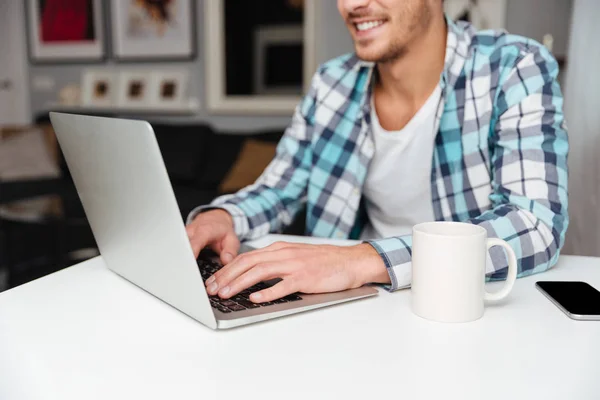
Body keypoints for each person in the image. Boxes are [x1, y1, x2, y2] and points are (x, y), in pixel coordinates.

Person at [186, 0, 569, 304]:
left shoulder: (512, 67)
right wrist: (224, 216)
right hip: (349, 303)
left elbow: (534, 224)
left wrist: (361, 261)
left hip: (459, 308)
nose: (351, 4)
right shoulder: (331, 83)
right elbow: (279, 188)